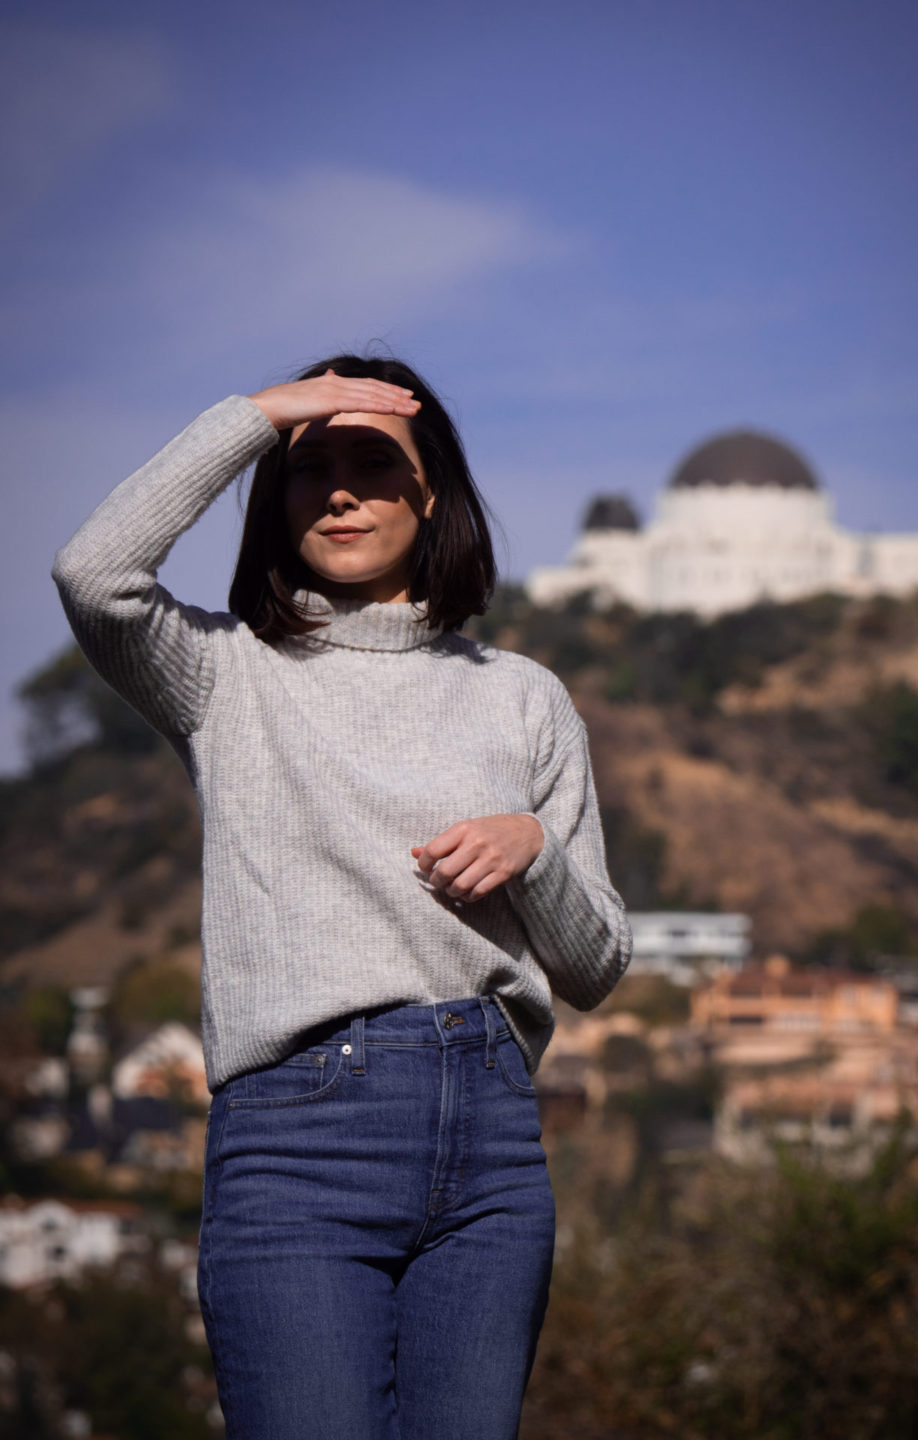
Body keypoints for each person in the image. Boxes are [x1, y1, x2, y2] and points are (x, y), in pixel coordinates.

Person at [51, 352, 633, 1440]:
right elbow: (94, 573)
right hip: (297, 1147)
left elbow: (597, 967)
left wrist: (537, 850)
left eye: (374, 462)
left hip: (495, 1151)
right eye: (308, 466)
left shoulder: (524, 700)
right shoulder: (227, 674)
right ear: (275, 496)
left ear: (430, 494)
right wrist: (259, 415)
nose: (340, 490)